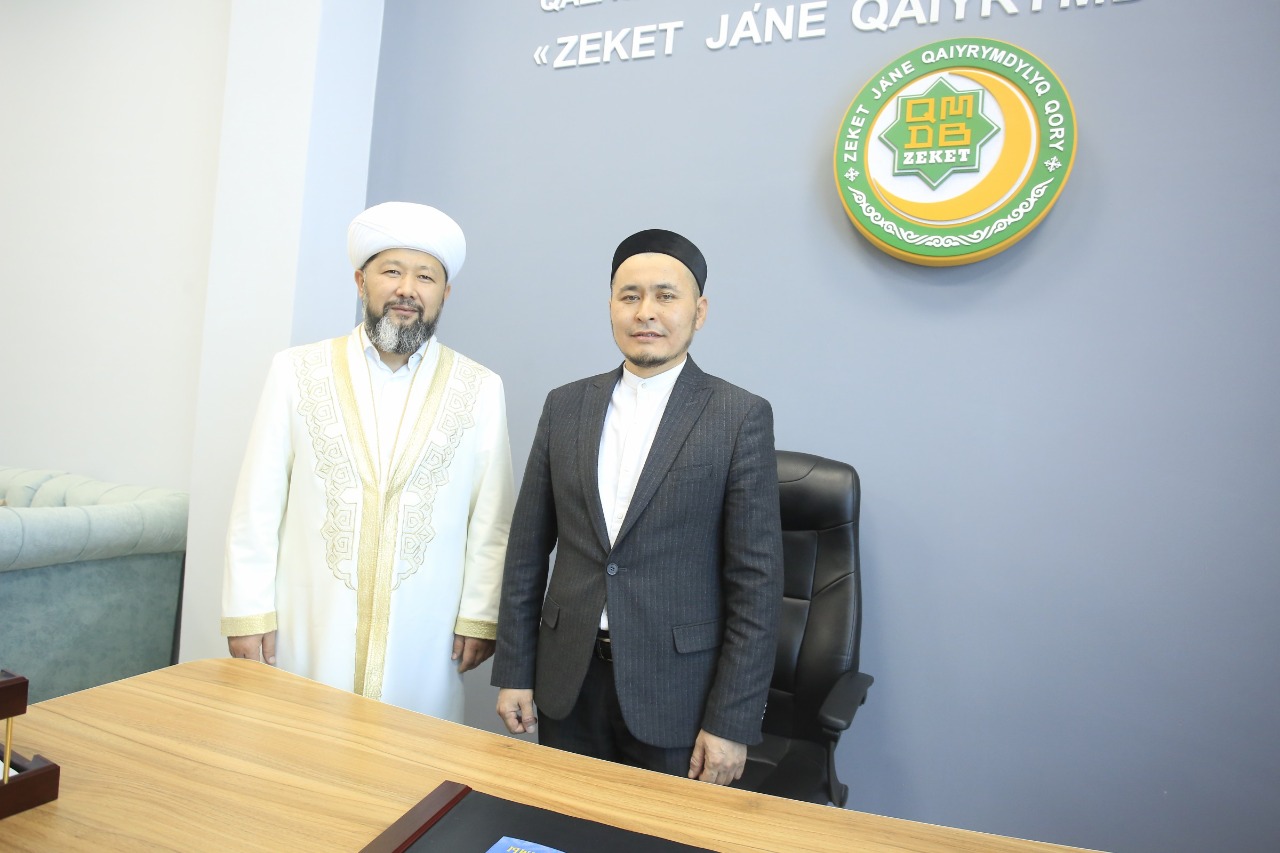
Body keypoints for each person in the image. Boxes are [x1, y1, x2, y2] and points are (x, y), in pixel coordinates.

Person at [491, 228, 782, 785]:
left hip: (678, 693)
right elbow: (526, 549)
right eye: (630, 296)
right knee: (563, 824)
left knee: (658, 832)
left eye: (665, 296)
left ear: (699, 312)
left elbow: (757, 584)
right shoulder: (565, 406)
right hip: (568, 681)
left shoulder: (738, 416)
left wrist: (731, 721)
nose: (646, 311)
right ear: (611, 308)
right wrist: (515, 670)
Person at [222, 201, 514, 723]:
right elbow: (257, 504)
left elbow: (491, 520)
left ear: (445, 294)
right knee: (297, 744)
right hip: (309, 620)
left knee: (410, 755)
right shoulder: (297, 372)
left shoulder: (479, 388)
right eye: (391, 272)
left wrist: (480, 614)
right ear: (361, 281)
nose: (407, 289)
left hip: (425, 632)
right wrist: (248, 611)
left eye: (425, 277)